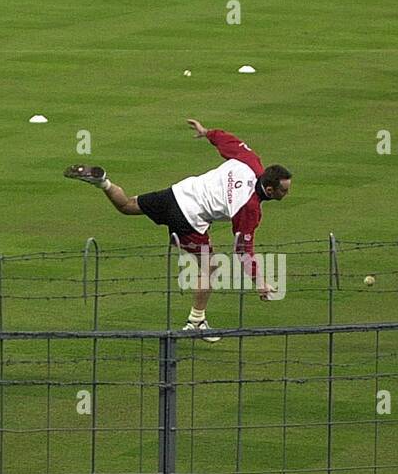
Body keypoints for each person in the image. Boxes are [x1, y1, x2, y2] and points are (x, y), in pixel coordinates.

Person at [65, 118, 292, 340]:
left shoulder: (250, 161)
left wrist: (206, 132)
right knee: (210, 267)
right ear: (270, 191)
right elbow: (242, 250)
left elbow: (227, 140)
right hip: (188, 217)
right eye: (284, 190)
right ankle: (196, 321)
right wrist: (260, 282)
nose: (287, 193)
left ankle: (103, 182)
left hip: (177, 193)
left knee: (127, 206)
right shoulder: (249, 208)